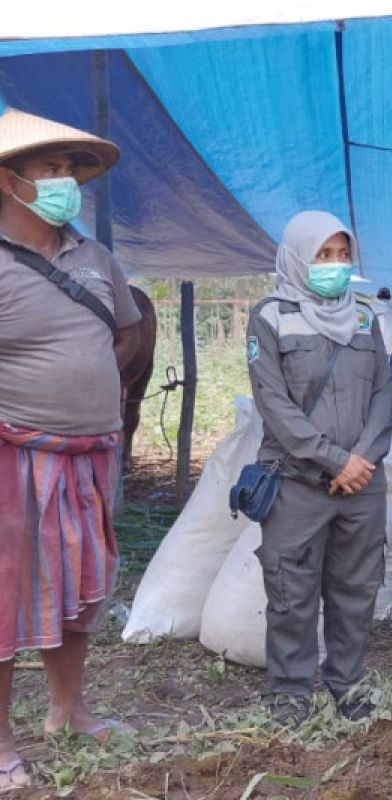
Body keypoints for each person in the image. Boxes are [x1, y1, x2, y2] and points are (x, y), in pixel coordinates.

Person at [0, 108, 143, 792]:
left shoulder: (95, 258)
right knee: (2, 594)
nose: (65, 182)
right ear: (8, 181)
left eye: (69, 170)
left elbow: (125, 332)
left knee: (80, 586)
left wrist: (86, 387)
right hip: (13, 455)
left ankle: (68, 710)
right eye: (49, 170)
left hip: (90, 453)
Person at [246, 211, 392, 726]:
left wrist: (364, 460)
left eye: (341, 254)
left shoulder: (364, 317)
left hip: (362, 483)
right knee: (291, 591)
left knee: (356, 589)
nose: (334, 265)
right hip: (296, 480)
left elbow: (383, 391)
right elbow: (274, 403)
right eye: (321, 255)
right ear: (295, 258)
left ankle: (348, 684)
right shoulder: (270, 315)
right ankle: (289, 694)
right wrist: (336, 460)